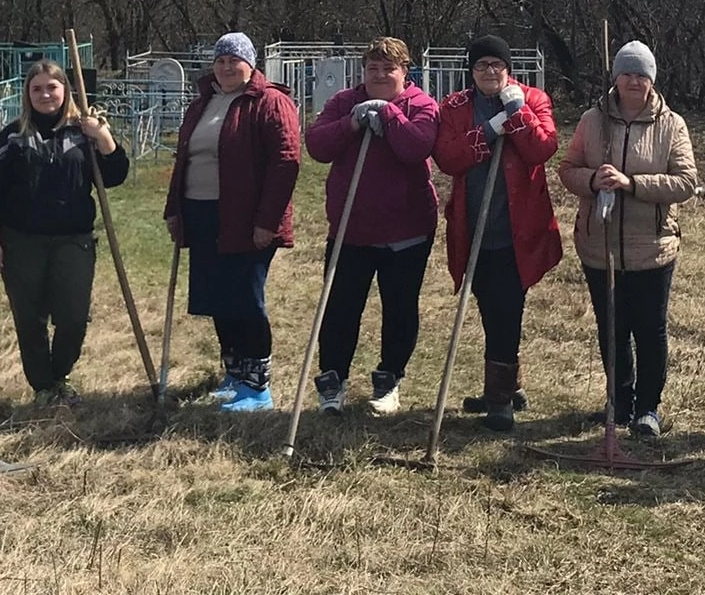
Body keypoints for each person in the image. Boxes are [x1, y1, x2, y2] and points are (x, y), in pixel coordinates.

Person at [557, 41, 697, 438]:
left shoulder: (672, 125)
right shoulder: (592, 120)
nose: (634, 81)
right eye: (627, 73)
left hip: (652, 246)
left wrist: (631, 184)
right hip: (599, 245)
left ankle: (648, 409)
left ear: (651, 81)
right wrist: (591, 179)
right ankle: (618, 401)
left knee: (650, 329)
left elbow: (685, 182)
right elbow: (567, 170)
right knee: (611, 326)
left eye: (641, 74)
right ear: (615, 77)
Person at [0, 60, 129, 408]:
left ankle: (60, 374)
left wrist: (103, 138)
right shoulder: (13, 135)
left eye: (52, 87)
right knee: (29, 318)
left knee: (73, 316)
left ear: (65, 91)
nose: (45, 94)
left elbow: (116, 175)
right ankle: (43, 385)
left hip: (74, 239)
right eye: (37, 89)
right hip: (22, 241)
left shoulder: (83, 133)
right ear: (28, 95)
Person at [163, 33, 300, 412]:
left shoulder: (270, 101)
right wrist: (174, 209)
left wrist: (267, 221)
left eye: (234, 60)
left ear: (251, 64)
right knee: (218, 298)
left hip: (247, 217)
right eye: (220, 60)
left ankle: (258, 387)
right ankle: (234, 374)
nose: (226, 66)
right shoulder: (203, 102)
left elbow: (286, 162)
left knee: (244, 298)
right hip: (203, 213)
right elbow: (184, 159)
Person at [304, 37, 440, 415]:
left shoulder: (422, 105)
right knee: (341, 307)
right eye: (373, 69)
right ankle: (333, 380)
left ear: (404, 72)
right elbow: (316, 146)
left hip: (406, 230)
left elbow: (416, 147)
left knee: (399, 307)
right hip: (351, 228)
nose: (379, 75)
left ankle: (389, 379)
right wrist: (352, 122)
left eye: (388, 69)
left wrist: (390, 116)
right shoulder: (344, 102)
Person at [433, 35, 561, 431]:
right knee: (491, 306)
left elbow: (543, 149)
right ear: (471, 72)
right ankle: (509, 383)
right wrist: (489, 129)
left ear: (509, 69)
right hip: (474, 227)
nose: (490, 72)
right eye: (482, 66)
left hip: (516, 225)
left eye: (496, 65)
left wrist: (517, 115)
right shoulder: (455, 107)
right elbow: (448, 157)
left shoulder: (533, 99)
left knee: (507, 307)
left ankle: (500, 399)